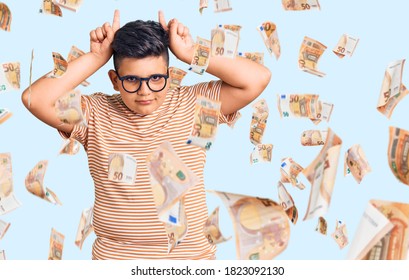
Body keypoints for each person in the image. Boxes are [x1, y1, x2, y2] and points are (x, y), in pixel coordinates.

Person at [21, 10, 271, 260]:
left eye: (155, 78)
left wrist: (191, 52)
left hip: (191, 261)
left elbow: (257, 78)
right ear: (114, 80)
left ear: (170, 76)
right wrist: (96, 57)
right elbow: (35, 99)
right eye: (131, 79)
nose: (145, 91)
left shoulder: (195, 103)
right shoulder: (94, 114)